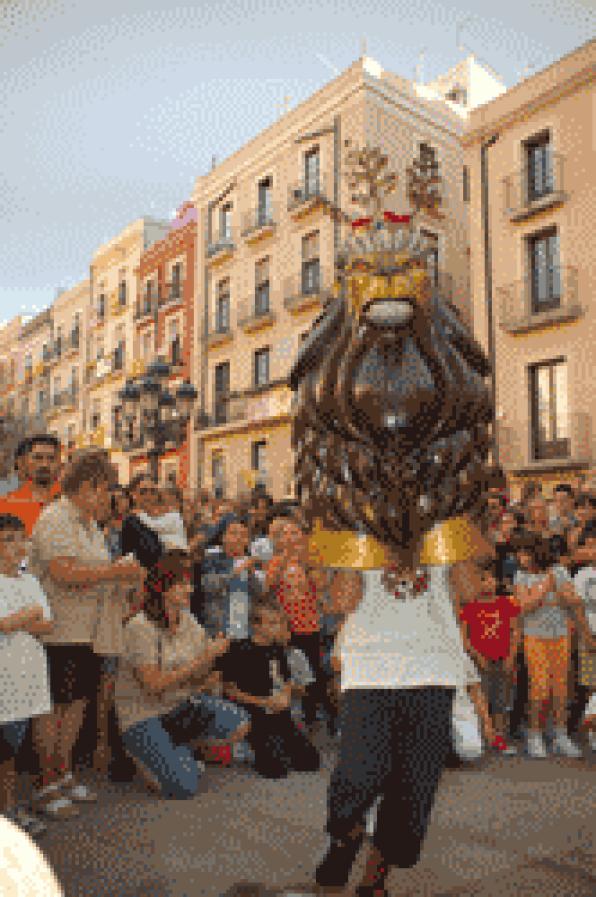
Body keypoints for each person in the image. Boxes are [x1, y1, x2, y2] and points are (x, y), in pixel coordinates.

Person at [28, 451, 143, 816]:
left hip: (88, 632)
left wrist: (119, 574)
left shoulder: (90, 525)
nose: (109, 497)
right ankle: (46, 785)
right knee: (55, 710)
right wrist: (115, 573)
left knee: (77, 706)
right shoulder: (55, 518)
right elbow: (63, 572)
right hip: (59, 631)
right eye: (105, 489)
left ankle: (63, 775)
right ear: (89, 486)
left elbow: (93, 569)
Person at [114, 552, 249, 798]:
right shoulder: (140, 626)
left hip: (179, 706)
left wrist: (215, 663)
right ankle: (147, 752)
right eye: (183, 583)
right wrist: (204, 659)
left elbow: (199, 677)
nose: (190, 589)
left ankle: (176, 749)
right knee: (183, 787)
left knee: (239, 723)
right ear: (163, 588)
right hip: (144, 714)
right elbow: (153, 685)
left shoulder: (188, 621)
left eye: (190, 583)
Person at [220, 600, 320, 779]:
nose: (279, 627)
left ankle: (278, 745)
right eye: (272, 623)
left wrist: (285, 696)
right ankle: (253, 748)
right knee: (276, 770)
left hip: (278, 710)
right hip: (253, 712)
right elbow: (229, 690)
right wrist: (263, 702)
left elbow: (286, 679)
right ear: (256, 626)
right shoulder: (238, 650)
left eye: (280, 622)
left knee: (310, 762)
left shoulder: (278, 649)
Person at [0, 514, 53, 837]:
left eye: (21, 538)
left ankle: (11, 807)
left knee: (13, 747)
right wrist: (27, 616)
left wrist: (21, 619)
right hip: (4, 678)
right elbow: (4, 625)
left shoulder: (30, 580)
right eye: (8, 539)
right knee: (3, 750)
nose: (18, 546)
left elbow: (47, 623)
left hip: (26, 678)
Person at [513, 533, 583, 759]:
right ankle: (535, 734)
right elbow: (526, 605)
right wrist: (546, 589)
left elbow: (574, 600)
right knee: (539, 686)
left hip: (560, 634)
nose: (520, 557)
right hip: (534, 636)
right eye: (519, 553)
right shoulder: (521, 576)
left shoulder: (559, 570)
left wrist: (559, 596)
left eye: (524, 552)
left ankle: (560, 734)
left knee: (561, 686)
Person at [459, 558, 520, 755]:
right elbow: (464, 638)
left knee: (501, 701)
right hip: (480, 661)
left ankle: (500, 737)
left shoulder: (506, 603)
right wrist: (477, 656)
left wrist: (511, 655)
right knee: (482, 700)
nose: (488, 583)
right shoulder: (470, 607)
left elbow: (515, 630)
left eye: (491, 579)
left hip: (502, 658)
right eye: (483, 580)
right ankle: (484, 736)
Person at [199, 518, 262, 639]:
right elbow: (208, 586)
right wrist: (236, 572)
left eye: (243, 535)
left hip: (247, 630)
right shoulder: (212, 557)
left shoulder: (252, 562)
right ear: (223, 537)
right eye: (233, 533)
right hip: (220, 629)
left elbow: (259, 594)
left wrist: (251, 575)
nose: (238, 538)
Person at [0, 435, 62, 535]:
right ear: (23, 462)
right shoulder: (6, 505)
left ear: (59, 462)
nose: (45, 464)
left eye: (51, 458)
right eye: (37, 458)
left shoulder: (72, 501)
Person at [572, 522, 596, 751]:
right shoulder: (582, 575)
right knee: (590, 684)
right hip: (588, 634)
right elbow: (577, 609)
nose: (592, 550)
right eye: (588, 546)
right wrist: (586, 636)